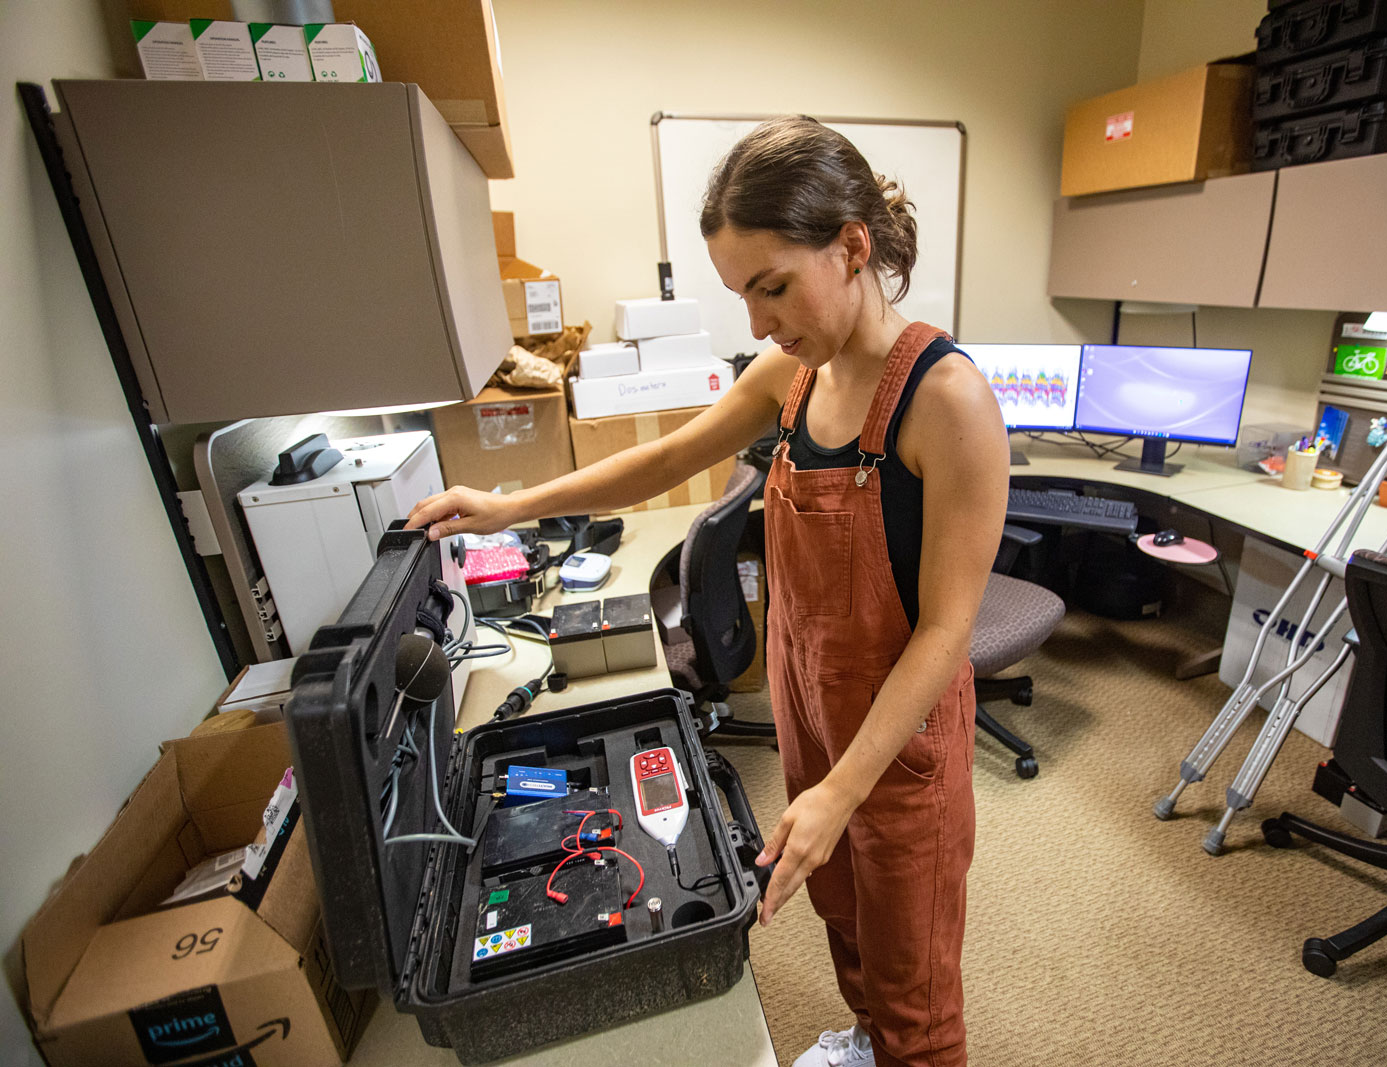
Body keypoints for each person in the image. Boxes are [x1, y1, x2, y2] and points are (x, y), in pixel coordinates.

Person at [406, 116, 1008, 1067]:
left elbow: (946, 632)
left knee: (915, 983)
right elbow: (659, 460)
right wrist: (506, 505)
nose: (760, 324)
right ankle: (865, 1038)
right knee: (842, 910)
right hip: (812, 703)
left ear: (853, 246)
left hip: (900, 742)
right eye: (743, 296)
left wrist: (843, 790)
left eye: (773, 287)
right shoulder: (792, 375)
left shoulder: (950, 401)